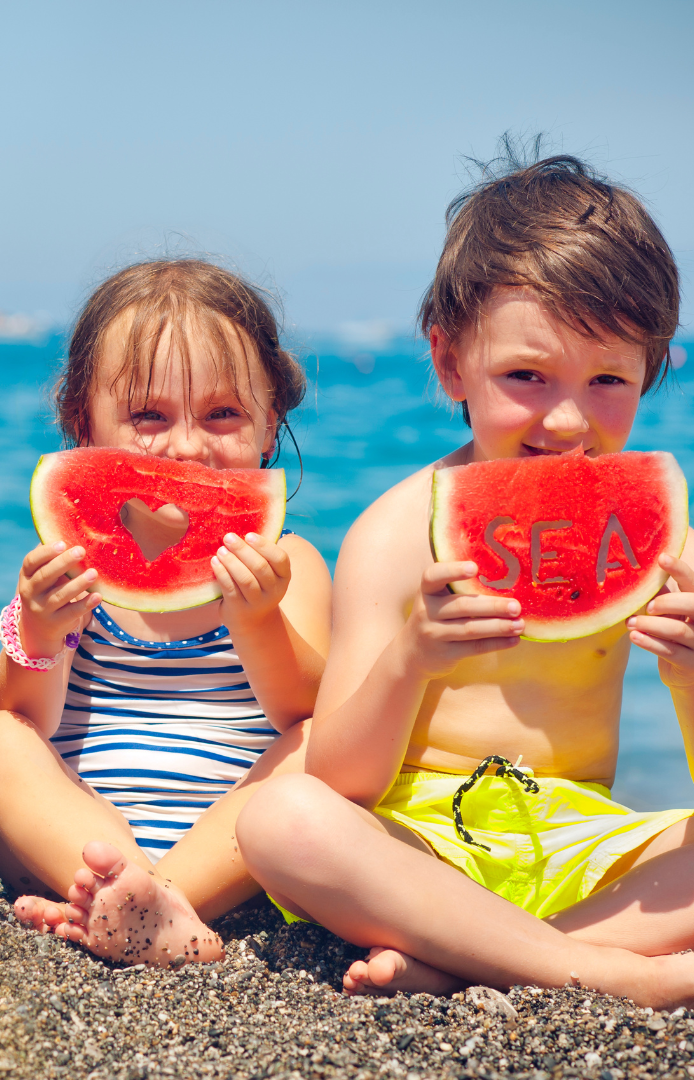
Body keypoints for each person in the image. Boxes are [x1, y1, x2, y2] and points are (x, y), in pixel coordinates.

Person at [233, 151, 694, 1009]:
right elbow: (341, 781)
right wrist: (411, 658)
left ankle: (492, 961)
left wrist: (688, 673)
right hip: (417, 851)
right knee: (281, 818)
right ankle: (620, 974)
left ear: (653, 368)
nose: (566, 419)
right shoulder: (397, 531)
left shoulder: (664, 541)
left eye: (607, 381)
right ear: (450, 364)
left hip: (584, 845)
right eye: (526, 376)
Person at [0, 259, 332, 967]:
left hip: (232, 875)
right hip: (79, 856)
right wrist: (40, 630)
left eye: (222, 413)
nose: (187, 445)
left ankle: (157, 901)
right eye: (149, 416)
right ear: (82, 423)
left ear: (270, 422)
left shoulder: (290, 563)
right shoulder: (70, 561)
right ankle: (127, 903)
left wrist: (258, 620)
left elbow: (307, 711)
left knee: (324, 746)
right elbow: (21, 714)